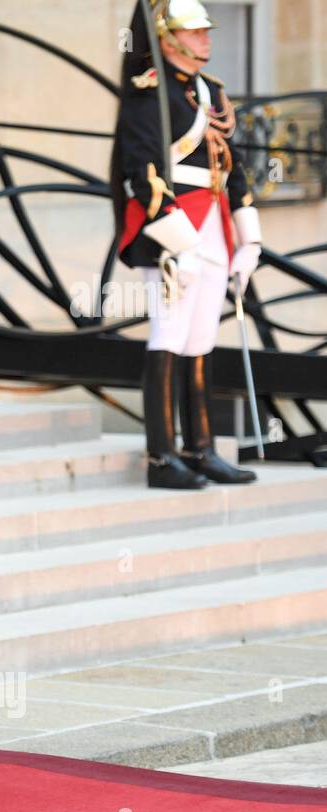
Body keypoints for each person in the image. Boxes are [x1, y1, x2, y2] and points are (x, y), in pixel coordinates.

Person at [111, 0, 259, 488]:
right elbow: (143, 173)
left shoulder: (210, 91)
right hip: (173, 226)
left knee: (200, 339)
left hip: (215, 221)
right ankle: (161, 456)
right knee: (169, 335)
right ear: (168, 39)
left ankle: (201, 448)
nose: (205, 40)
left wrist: (248, 236)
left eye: (204, 32)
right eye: (194, 33)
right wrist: (178, 241)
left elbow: (230, 167)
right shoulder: (148, 93)